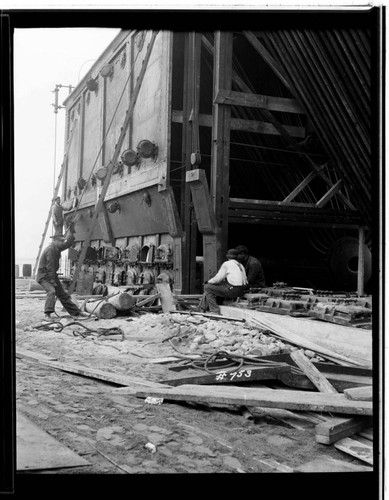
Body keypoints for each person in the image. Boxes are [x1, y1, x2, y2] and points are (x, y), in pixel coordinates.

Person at [36, 232, 89, 321]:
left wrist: (72, 232)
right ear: (54, 241)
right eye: (59, 241)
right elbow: (50, 267)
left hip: (51, 275)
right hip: (44, 276)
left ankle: (76, 312)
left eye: (62, 241)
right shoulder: (51, 250)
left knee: (63, 295)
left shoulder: (57, 248)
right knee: (52, 291)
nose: (61, 243)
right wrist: (52, 282)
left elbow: (68, 244)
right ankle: (47, 315)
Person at [198, 248, 248, 315]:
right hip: (242, 291)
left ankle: (214, 310)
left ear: (227, 256)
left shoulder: (227, 264)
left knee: (207, 287)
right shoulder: (240, 265)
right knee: (210, 288)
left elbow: (218, 279)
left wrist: (208, 282)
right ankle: (202, 308)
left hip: (233, 290)